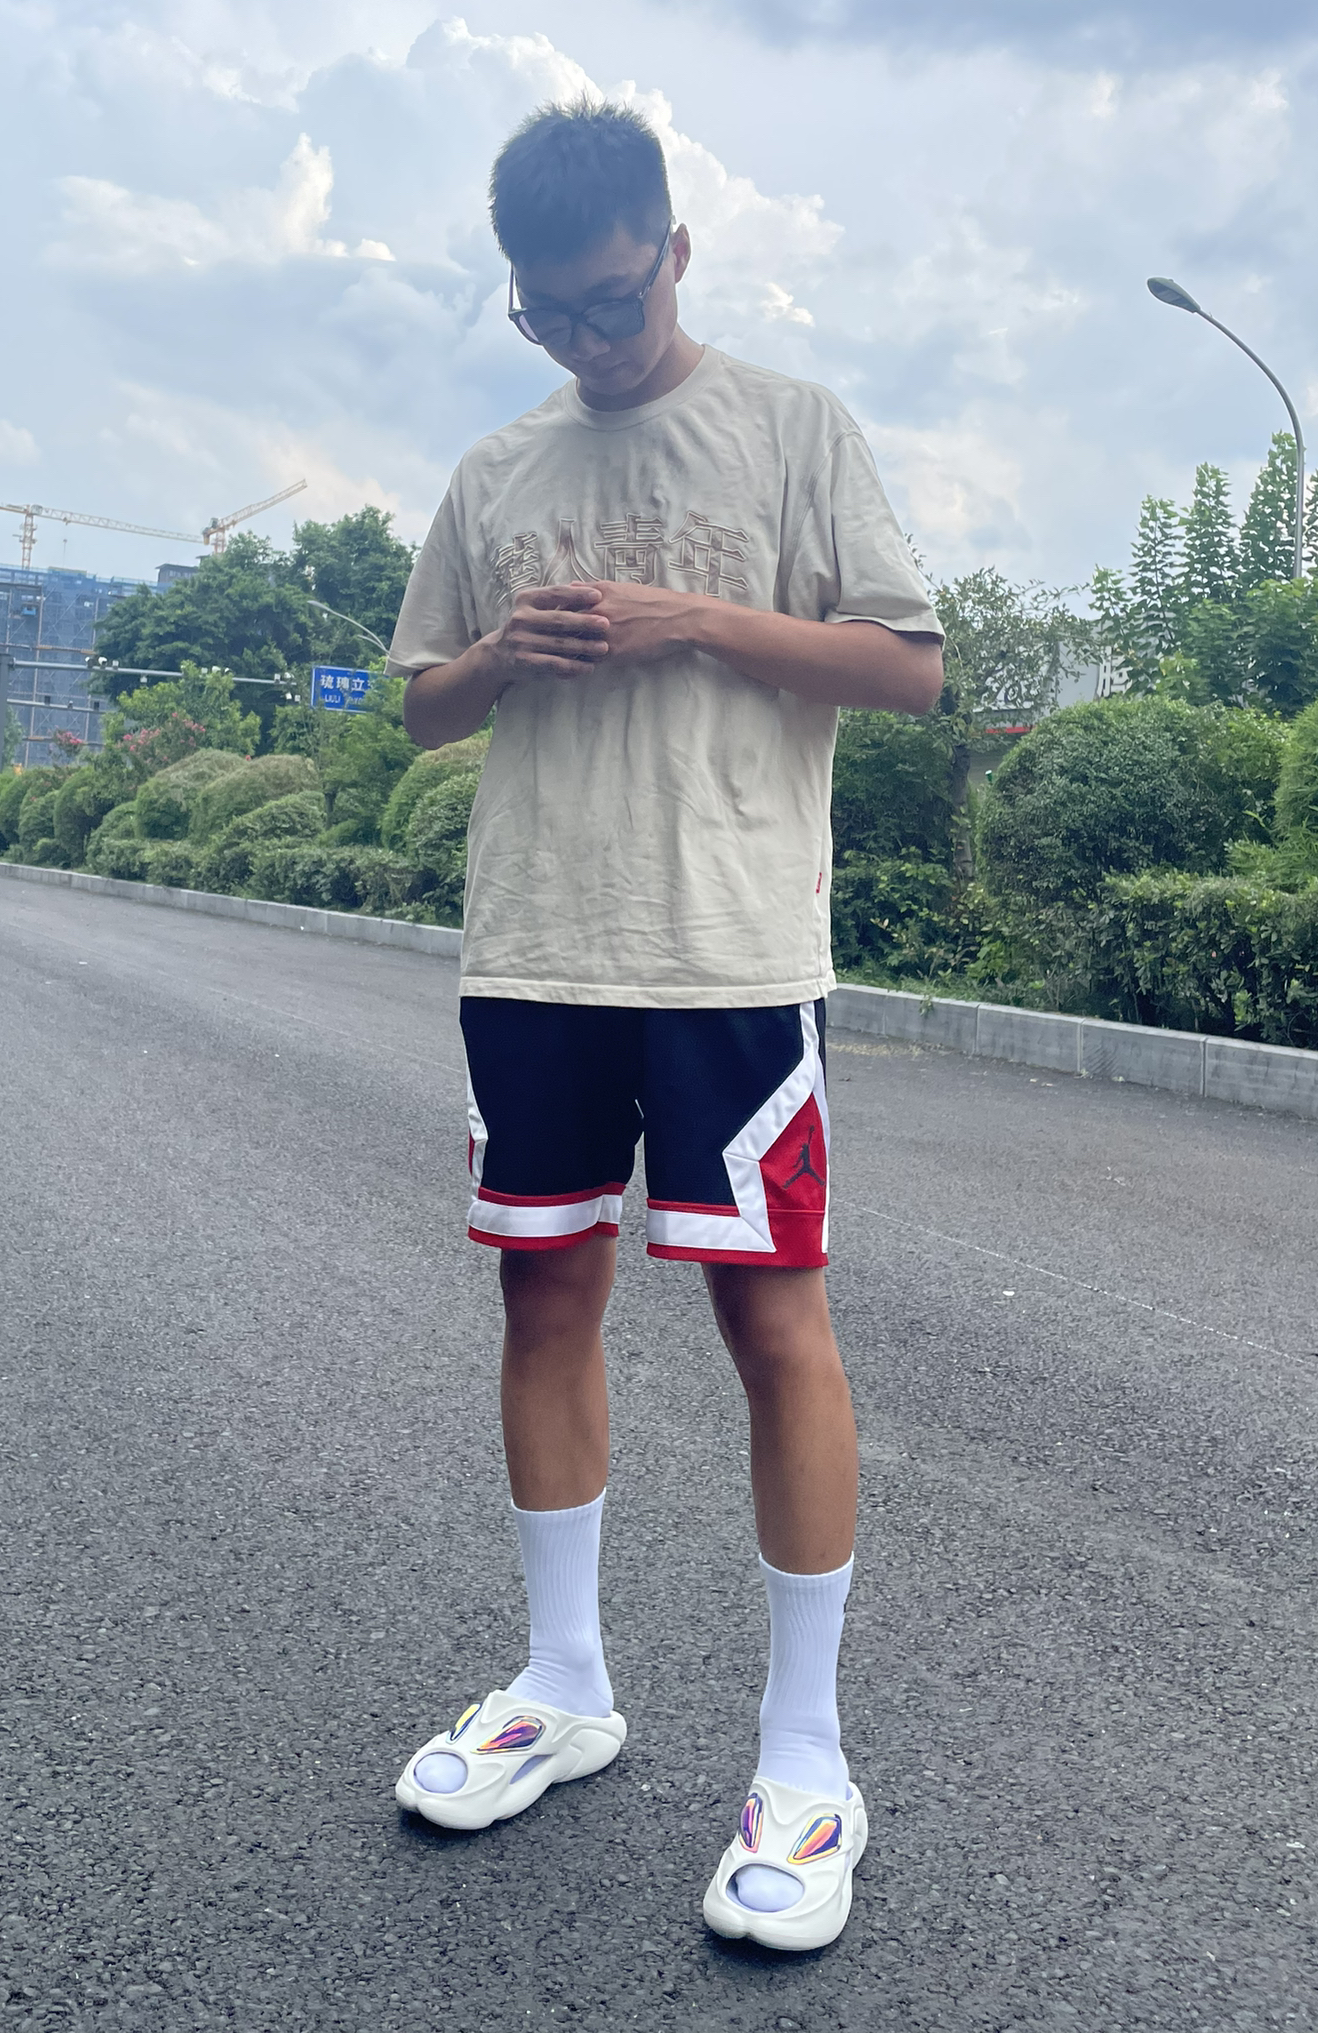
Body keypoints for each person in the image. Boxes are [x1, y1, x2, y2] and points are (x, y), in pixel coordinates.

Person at [386, 98, 943, 1952]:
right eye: (546, 314)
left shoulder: (793, 430)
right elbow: (419, 706)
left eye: (612, 301)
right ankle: (564, 1684)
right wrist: (504, 655)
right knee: (543, 1296)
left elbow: (908, 668)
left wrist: (694, 620)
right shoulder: (494, 470)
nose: (587, 340)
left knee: (772, 1323)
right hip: (537, 946)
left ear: (675, 252)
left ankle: (806, 1758)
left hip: (726, 953)